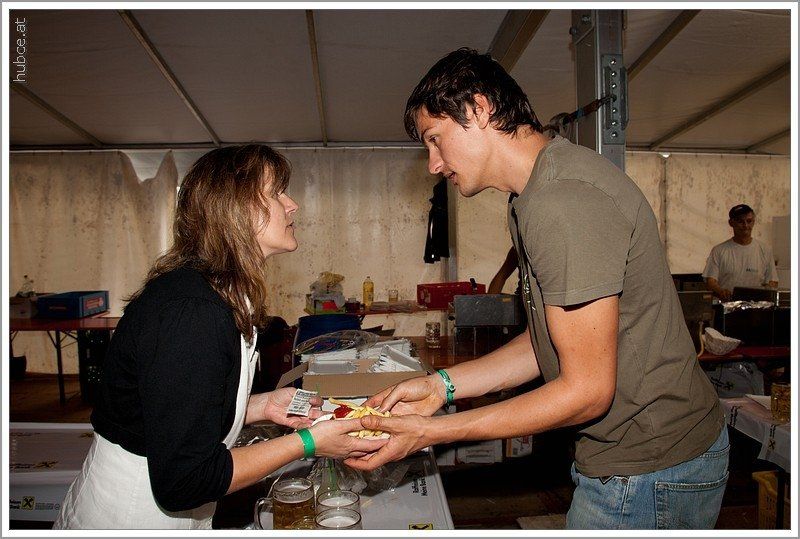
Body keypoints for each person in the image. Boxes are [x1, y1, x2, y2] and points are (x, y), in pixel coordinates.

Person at [346, 48, 727, 530]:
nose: (433, 165)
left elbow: (587, 392)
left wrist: (431, 432)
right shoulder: (531, 196)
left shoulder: (561, 202)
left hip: (652, 467)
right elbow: (550, 341)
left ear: (479, 109)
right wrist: (442, 386)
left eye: (435, 139)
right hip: (640, 458)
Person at [54, 145, 387, 529]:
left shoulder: (222, 295)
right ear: (235, 209)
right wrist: (310, 442)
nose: (292, 205)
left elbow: (179, 409)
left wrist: (261, 406)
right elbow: (184, 481)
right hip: (130, 517)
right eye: (276, 193)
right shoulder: (191, 312)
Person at [702, 203, 778, 301]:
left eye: (749, 221)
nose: (745, 225)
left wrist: (765, 293)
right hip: (727, 306)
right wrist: (721, 292)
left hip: (757, 308)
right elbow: (710, 282)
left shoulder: (765, 250)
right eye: (740, 221)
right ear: (731, 223)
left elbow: (772, 281)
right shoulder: (719, 251)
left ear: (754, 222)